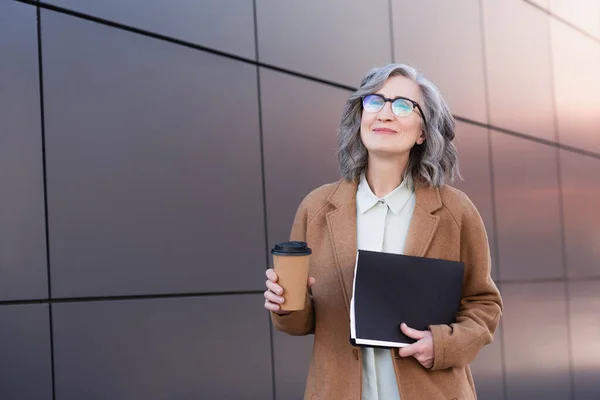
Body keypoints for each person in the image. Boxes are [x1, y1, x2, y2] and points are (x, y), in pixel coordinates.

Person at [263, 63, 503, 400]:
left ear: (423, 131)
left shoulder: (455, 211)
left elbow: (483, 304)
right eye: (375, 102)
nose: (385, 114)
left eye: (403, 105)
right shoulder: (316, 208)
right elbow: (300, 322)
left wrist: (443, 345)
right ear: (360, 118)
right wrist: (286, 305)